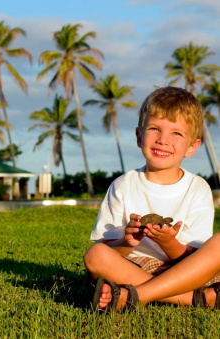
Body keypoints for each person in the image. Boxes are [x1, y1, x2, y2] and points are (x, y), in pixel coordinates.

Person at [83, 86, 220, 311]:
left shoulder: (197, 188)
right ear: (139, 136)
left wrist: (169, 244)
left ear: (192, 146)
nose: (163, 140)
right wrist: (127, 243)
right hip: (134, 267)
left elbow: (196, 259)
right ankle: (198, 299)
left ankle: (132, 296)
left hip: (186, 271)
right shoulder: (123, 185)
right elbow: (109, 252)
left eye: (176, 133)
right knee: (95, 255)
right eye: (155, 129)